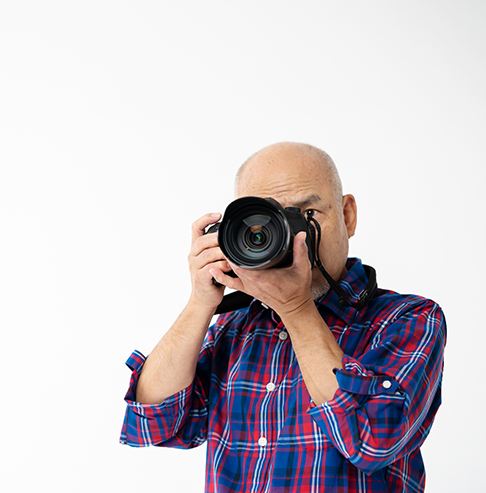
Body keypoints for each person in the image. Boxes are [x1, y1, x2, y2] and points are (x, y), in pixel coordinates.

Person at [119, 142, 446, 492]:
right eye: (267, 221)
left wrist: (295, 307)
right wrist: (201, 301)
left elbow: (372, 442)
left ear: (347, 215)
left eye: (307, 215)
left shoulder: (408, 319)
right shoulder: (234, 327)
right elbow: (151, 424)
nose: (293, 236)